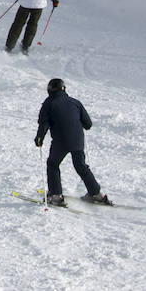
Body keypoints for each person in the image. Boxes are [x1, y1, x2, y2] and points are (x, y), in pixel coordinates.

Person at [35, 78, 110, 206]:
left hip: (61, 141)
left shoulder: (49, 103)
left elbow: (44, 123)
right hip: (77, 140)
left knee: (53, 164)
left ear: (49, 90)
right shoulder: (75, 102)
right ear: (64, 89)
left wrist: (39, 138)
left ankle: (56, 195)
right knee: (81, 166)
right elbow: (88, 124)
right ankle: (97, 194)